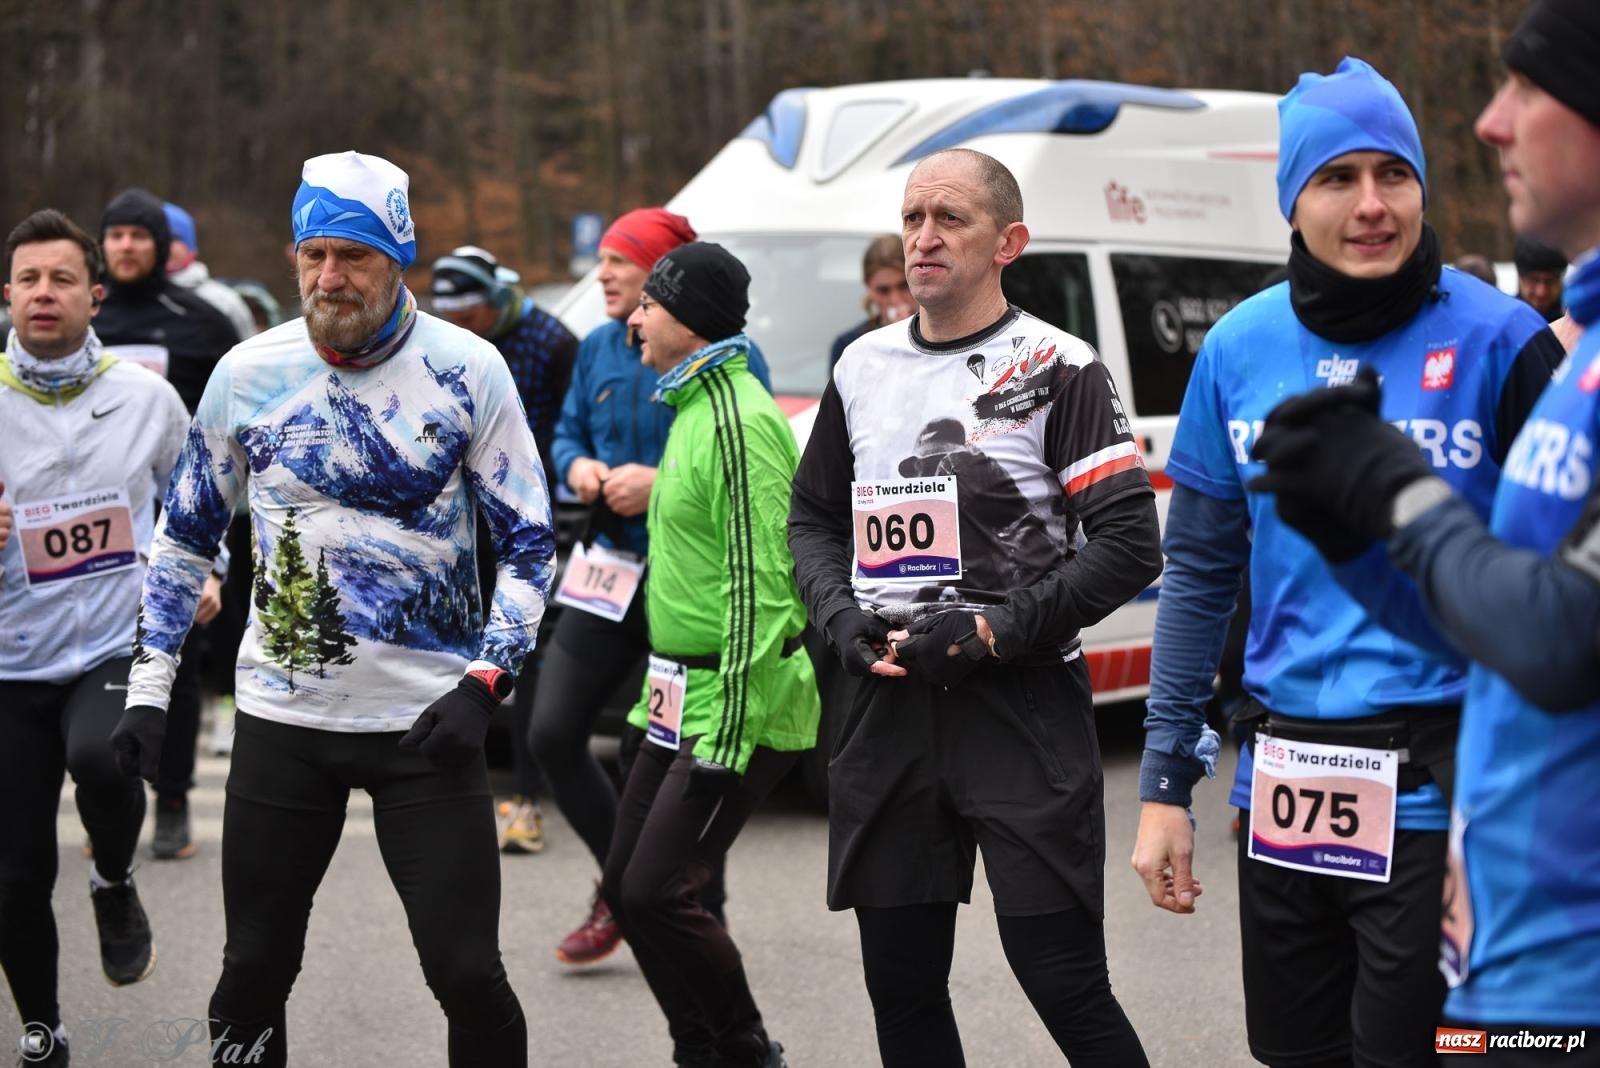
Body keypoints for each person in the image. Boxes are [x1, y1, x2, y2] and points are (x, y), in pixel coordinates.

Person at [1132, 57, 1563, 1068]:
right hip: (1283, 785)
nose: (1370, 205)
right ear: (1291, 200)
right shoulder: (1236, 348)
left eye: (1393, 174)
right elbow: (1197, 573)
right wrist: (1163, 786)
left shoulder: (1502, 341)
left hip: (1448, 792)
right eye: (1336, 178)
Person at [110, 151, 553, 1067]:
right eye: (313, 255)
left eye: (352, 256)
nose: (329, 277)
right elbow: (183, 537)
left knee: (468, 975)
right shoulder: (245, 372)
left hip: (428, 723)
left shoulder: (470, 371)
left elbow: (529, 545)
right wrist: (149, 686)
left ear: (398, 261)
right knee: (252, 973)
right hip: (284, 724)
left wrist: (485, 684)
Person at [1248, 3, 1600, 1061]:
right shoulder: (1587, 341)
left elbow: (1557, 634)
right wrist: (1356, 538)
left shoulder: (1505, 340)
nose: (1490, 123)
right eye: (1335, 177)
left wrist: (1396, 496)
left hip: (1571, 951)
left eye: (1527, 91)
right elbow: (1485, 621)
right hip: (1506, 918)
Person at [789, 147, 1159, 1067]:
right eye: (914, 217)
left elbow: (1128, 545)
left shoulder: (1059, 366)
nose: (924, 237)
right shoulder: (861, 366)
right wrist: (838, 615)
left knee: (1062, 979)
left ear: (1010, 242)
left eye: (949, 218)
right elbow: (811, 520)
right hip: (887, 701)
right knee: (903, 990)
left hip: (1018, 706)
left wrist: (995, 627)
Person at [599, 240, 814, 1068]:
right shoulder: (690, 408)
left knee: (658, 891)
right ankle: (702, 1051)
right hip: (676, 695)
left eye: (650, 302)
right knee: (626, 889)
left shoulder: (738, 419)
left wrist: (726, 735)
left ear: (689, 318)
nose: (635, 316)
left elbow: (764, 587)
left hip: (740, 700)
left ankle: (745, 1050)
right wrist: (644, 708)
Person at [536, 208, 771, 964]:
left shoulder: (735, 362)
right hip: (608, 569)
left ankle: (694, 905)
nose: (602, 276)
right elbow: (566, 432)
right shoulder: (601, 350)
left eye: (619, 264)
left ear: (665, 281)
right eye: (600, 260)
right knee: (550, 733)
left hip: (687, 581)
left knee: (685, 750)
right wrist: (580, 468)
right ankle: (624, 887)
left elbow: (735, 464)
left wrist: (659, 478)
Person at [0, 209, 187, 1068]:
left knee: (106, 756)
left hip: (114, 641)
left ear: (95, 296)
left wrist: (206, 573)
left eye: (62, 278)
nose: (45, 293)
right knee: (13, 871)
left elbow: (197, 506)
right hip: (9, 661)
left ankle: (113, 879)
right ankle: (43, 1026)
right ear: (7, 295)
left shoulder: (147, 398)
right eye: (30, 279)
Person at [95, 187, 238, 860]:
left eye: (137, 235)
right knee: (99, 665)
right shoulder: (77, 318)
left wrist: (222, 548)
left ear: (160, 246)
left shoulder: (201, 323)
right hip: (90, 520)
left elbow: (242, 424)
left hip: (180, 514)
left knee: (176, 664)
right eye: (114, 234)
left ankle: (174, 799)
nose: (125, 246)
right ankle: (112, 797)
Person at [430, 244, 578, 853]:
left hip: (524, 515)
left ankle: (527, 797)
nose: (460, 330)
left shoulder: (552, 342)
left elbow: (561, 433)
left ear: (492, 304)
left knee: (524, 651)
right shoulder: (443, 342)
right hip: (459, 515)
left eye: (469, 318)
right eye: (451, 319)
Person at [163, 200, 255, 343]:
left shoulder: (224, 302)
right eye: (159, 239)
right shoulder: (128, 299)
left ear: (191, 246)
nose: (165, 246)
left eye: (174, 239)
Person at [828, 233, 911, 369]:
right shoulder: (849, 346)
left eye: (904, 286)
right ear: (869, 288)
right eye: (883, 290)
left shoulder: (943, 339)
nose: (896, 300)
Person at [1514, 234, 1568, 322]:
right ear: (1520, 278)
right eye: (1533, 280)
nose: (1541, 292)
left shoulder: (1577, 320)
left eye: (1550, 281)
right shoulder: (1505, 322)